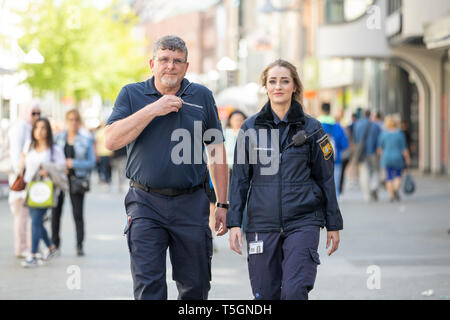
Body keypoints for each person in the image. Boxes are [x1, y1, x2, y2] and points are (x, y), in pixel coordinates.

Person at [104, 35, 228, 300]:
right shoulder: (132, 94)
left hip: (191, 202)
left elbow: (217, 151)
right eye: (164, 60)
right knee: (149, 286)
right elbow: (111, 140)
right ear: (152, 63)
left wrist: (223, 204)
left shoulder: (202, 96)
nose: (170, 66)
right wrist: (153, 109)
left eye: (177, 61)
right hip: (144, 202)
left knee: (196, 286)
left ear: (186, 66)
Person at [227, 59, 343, 300]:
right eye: (272, 81)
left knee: (294, 291)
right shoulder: (250, 129)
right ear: (266, 87)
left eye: (284, 81)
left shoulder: (312, 128)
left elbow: (326, 178)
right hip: (261, 223)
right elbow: (239, 179)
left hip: (303, 221)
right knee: (265, 295)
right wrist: (234, 222)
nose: (278, 86)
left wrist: (333, 224)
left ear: (294, 87)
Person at [21, 118, 64, 267]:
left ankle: (32, 255)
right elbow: (24, 167)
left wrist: (48, 169)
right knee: (37, 220)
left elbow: (62, 167)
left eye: (43, 128)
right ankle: (51, 248)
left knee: (35, 219)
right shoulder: (28, 147)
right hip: (31, 188)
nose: (40, 131)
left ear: (48, 131)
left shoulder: (54, 149)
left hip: (47, 189)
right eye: (37, 128)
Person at [52, 109, 96, 256]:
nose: (73, 122)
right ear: (66, 121)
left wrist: (74, 163)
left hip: (77, 180)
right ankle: (55, 244)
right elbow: (50, 159)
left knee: (78, 214)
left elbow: (91, 163)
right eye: (70, 119)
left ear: (80, 121)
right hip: (59, 179)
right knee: (55, 212)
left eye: (76, 119)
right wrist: (61, 166)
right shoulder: (57, 138)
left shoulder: (86, 140)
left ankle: (79, 244)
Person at [7, 102, 41, 258]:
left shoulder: (30, 127)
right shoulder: (20, 128)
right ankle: (21, 248)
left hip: (29, 177)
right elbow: (16, 154)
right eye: (33, 113)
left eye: (38, 113)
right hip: (21, 178)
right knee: (21, 213)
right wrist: (21, 174)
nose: (36, 116)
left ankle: (28, 246)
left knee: (27, 213)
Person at [318, 103, 349, 198]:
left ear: (321, 110)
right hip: (336, 159)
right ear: (330, 110)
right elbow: (344, 144)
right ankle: (335, 201)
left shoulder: (314, 125)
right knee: (335, 182)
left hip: (319, 161)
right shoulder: (337, 126)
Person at [377, 116, 411, 202]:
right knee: (398, 175)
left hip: (386, 157)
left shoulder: (383, 134)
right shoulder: (400, 134)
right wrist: (407, 158)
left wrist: (380, 158)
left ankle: (391, 195)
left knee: (388, 176)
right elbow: (404, 149)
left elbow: (380, 149)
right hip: (397, 157)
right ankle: (395, 190)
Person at [353, 109, 381, 202]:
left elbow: (356, 140)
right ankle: (374, 186)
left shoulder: (358, 125)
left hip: (362, 153)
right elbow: (379, 140)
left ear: (363, 115)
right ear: (370, 115)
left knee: (364, 173)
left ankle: (366, 195)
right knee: (375, 171)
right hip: (373, 152)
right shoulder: (375, 125)